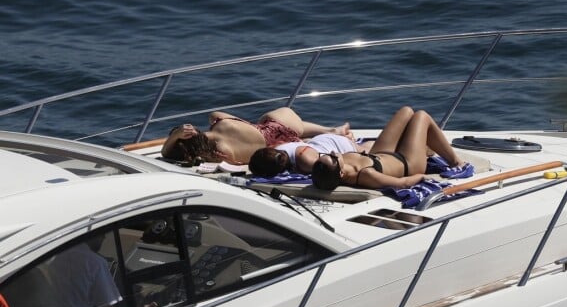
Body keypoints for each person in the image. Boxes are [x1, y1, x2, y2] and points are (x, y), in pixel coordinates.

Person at [311, 106, 470, 191]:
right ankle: (457, 162)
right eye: (332, 158)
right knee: (421, 116)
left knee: (406, 111)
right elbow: (402, 183)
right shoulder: (366, 175)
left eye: (326, 154)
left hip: (379, 154)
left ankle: (426, 148)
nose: (332, 152)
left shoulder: (341, 162)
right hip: (408, 163)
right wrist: (422, 178)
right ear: (340, 173)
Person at [161, 107, 352, 165]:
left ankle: (328, 133)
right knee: (266, 121)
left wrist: (175, 138)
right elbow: (245, 124)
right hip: (282, 125)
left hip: (280, 147)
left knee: (269, 127)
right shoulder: (219, 120)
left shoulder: (219, 155)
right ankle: (329, 131)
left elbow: (166, 154)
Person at [45, 234, 122, 307]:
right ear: (93, 235)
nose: (104, 238)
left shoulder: (54, 259)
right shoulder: (95, 262)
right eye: (102, 235)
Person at [249, 133, 374, 177]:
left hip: (337, 145)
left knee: (370, 151)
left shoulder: (306, 161)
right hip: (318, 142)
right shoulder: (278, 149)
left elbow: (333, 163)